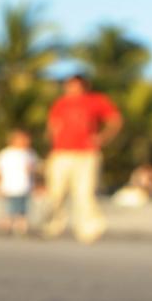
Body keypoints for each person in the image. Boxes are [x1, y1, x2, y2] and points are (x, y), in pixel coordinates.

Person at [43, 73, 122, 244]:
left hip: (86, 153)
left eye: (75, 85)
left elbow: (115, 120)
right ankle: (53, 224)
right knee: (56, 191)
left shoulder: (96, 100)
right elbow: (53, 125)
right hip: (61, 152)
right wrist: (53, 144)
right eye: (69, 85)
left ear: (84, 86)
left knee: (85, 192)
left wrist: (102, 137)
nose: (71, 88)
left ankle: (89, 229)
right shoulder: (61, 103)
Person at [0, 129, 38, 236]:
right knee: (9, 207)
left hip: (25, 187)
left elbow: (34, 171)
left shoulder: (30, 153)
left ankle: (20, 225)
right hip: (9, 186)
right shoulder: (6, 153)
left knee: (23, 208)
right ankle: (7, 223)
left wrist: (36, 184)